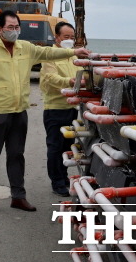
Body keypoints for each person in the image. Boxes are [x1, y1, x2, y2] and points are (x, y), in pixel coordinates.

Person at [0, 10, 90, 215]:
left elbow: (49, 53)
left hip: (19, 111)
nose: (14, 31)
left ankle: (18, 196)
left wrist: (73, 52)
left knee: (16, 155)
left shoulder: (25, 48)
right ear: (0, 29)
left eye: (17, 27)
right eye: (10, 27)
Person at [39, 21, 84, 196]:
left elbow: (82, 73)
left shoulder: (73, 57)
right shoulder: (50, 55)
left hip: (72, 108)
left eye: (72, 37)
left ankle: (63, 176)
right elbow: (50, 78)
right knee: (55, 147)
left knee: (68, 145)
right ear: (56, 38)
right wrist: (69, 82)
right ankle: (56, 182)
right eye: (66, 37)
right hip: (55, 109)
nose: (69, 40)